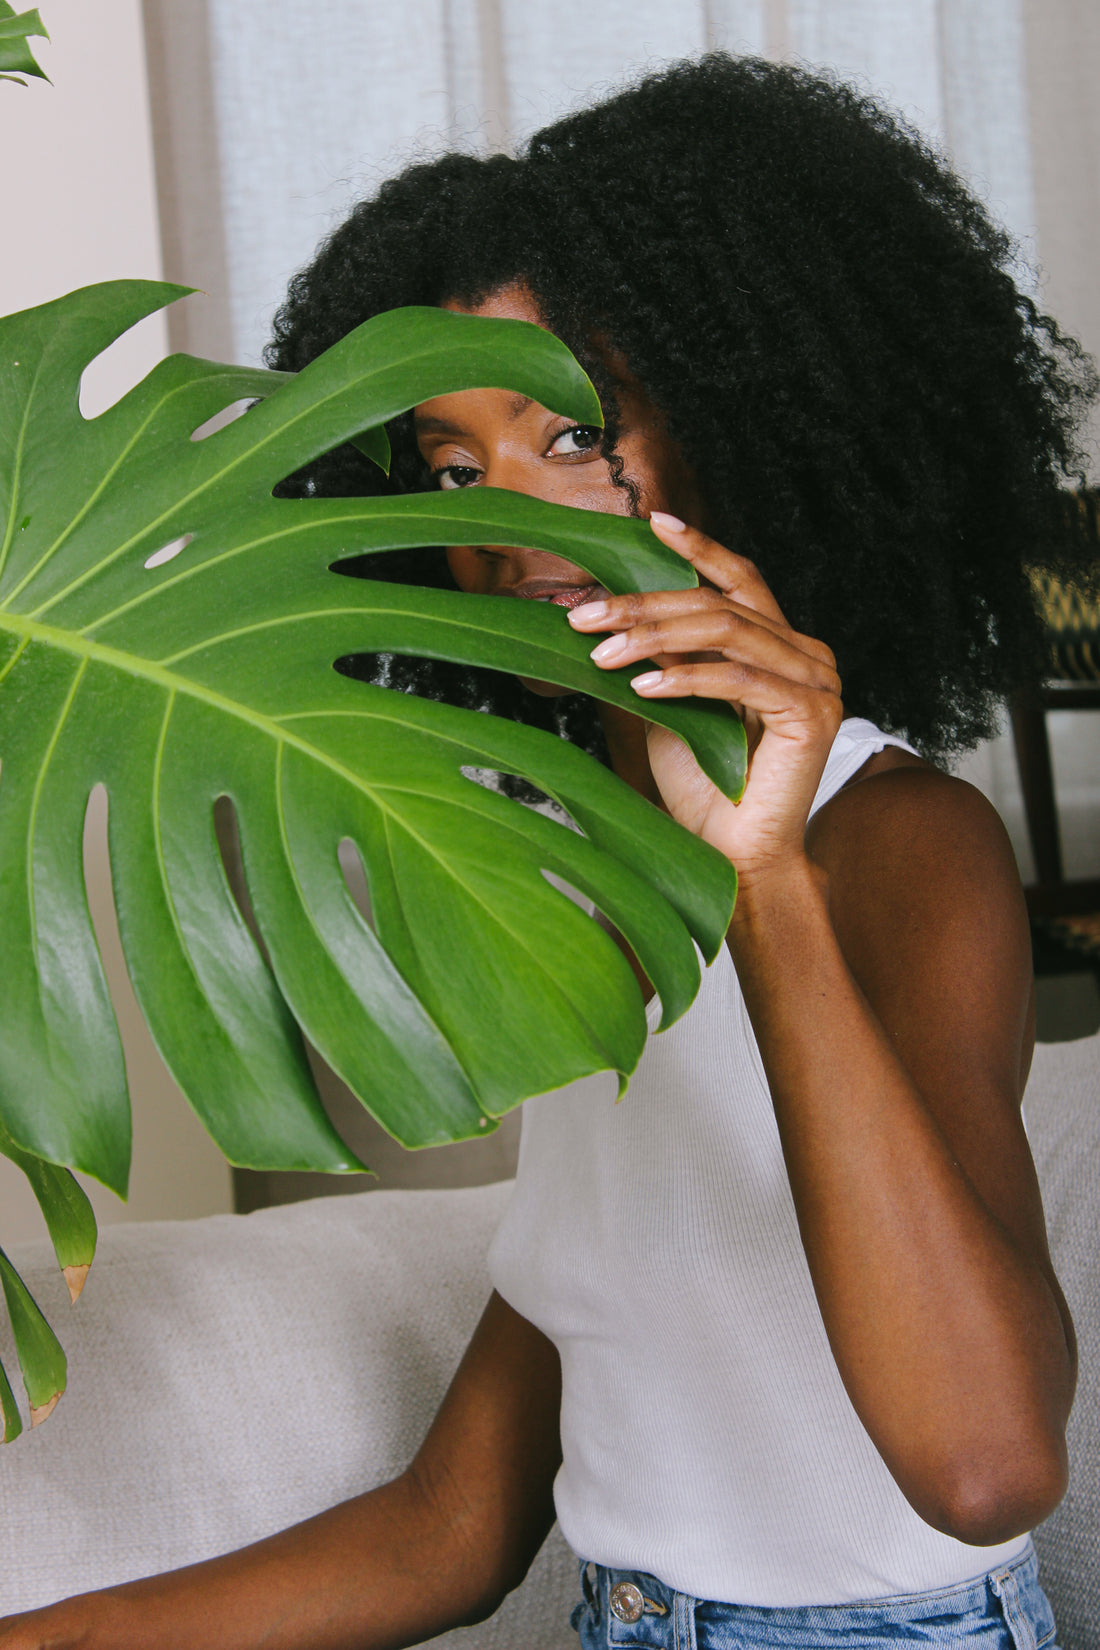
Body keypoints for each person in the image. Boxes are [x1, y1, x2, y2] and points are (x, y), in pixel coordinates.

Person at [3, 50, 1097, 1650]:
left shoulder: (900, 842)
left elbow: (986, 1461)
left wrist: (763, 880)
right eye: (453, 467)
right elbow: (451, 1530)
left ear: (744, 420)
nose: (512, 522)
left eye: (573, 436)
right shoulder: (563, 880)